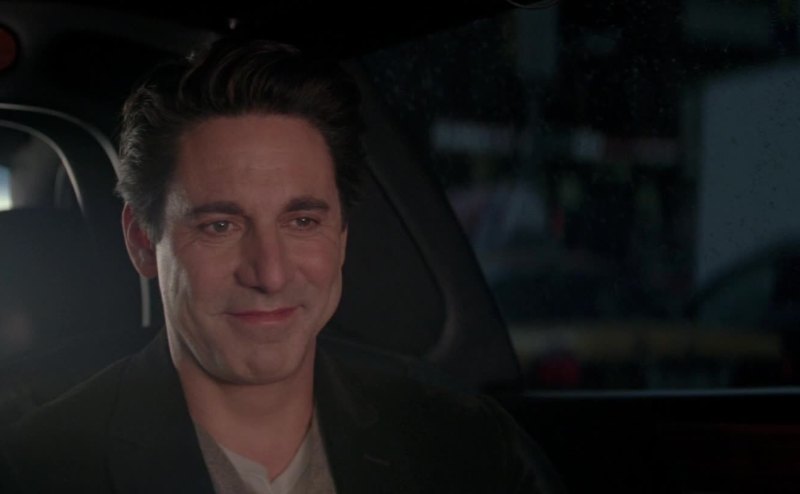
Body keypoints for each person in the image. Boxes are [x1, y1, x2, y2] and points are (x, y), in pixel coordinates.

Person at [0, 38, 564, 493]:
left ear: (341, 237)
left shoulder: (465, 445)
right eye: (220, 226)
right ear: (143, 242)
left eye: (302, 221)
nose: (270, 274)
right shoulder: (40, 471)